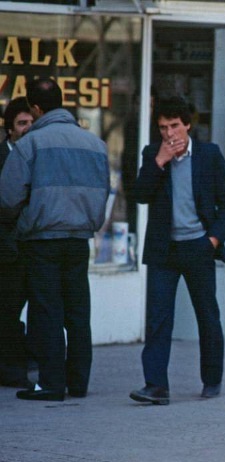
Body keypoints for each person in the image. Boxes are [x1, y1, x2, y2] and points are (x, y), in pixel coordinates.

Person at [0, 78, 110, 401]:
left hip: (42, 239)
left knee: (46, 310)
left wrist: (23, 222)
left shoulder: (30, 144)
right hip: (79, 239)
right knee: (78, 310)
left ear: (35, 109)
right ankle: (78, 382)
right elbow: (105, 193)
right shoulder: (95, 144)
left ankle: (50, 383)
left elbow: (7, 199)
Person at [129, 96, 225, 406]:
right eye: (162, 127)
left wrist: (212, 240)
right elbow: (140, 195)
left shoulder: (208, 154)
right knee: (158, 318)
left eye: (174, 126)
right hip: (164, 250)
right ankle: (156, 385)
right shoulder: (152, 153)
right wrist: (159, 161)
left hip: (199, 246)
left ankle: (212, 379)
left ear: (188, 124)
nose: (169, 133)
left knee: (208, 315)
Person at [0, 97, 33, 389]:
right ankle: (12, 370)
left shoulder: (39, 156)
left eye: (31, 123)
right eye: (22, 123)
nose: (27, 129)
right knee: (8, 310)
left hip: (34, 246)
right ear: (9, 129)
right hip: (7, 249)